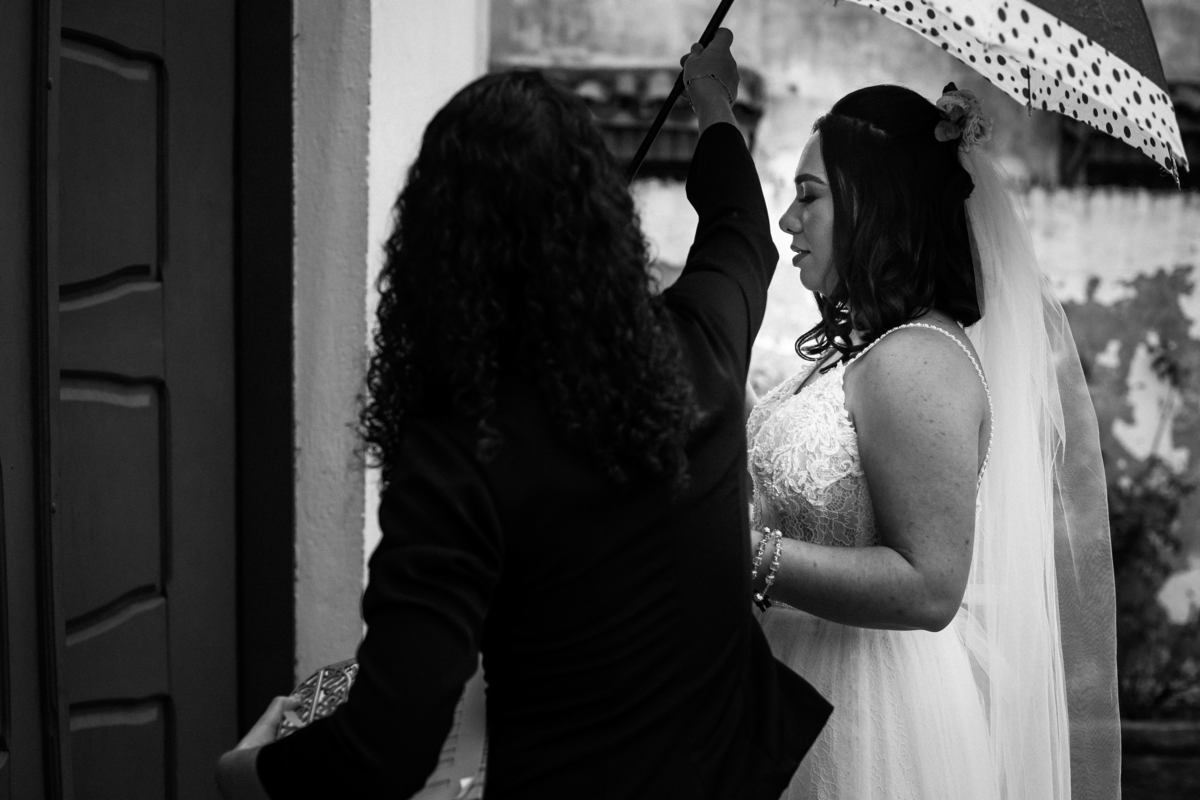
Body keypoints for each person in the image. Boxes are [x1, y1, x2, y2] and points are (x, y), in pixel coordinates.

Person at [215, 30, 831, 800]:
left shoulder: (456, 451)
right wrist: (713, 101)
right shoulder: (700, 345)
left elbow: (385, 747)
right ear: (608, 222)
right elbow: (740, 228)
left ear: (439, 251)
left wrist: (248, 776)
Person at [745, 84, 1120, 799]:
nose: (789, 219)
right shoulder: (861, 349)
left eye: (809, 195)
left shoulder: (917, 360)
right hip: (783, 682)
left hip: (860, 710)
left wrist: (749, 556)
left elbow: (929, 586)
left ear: (874, 203)